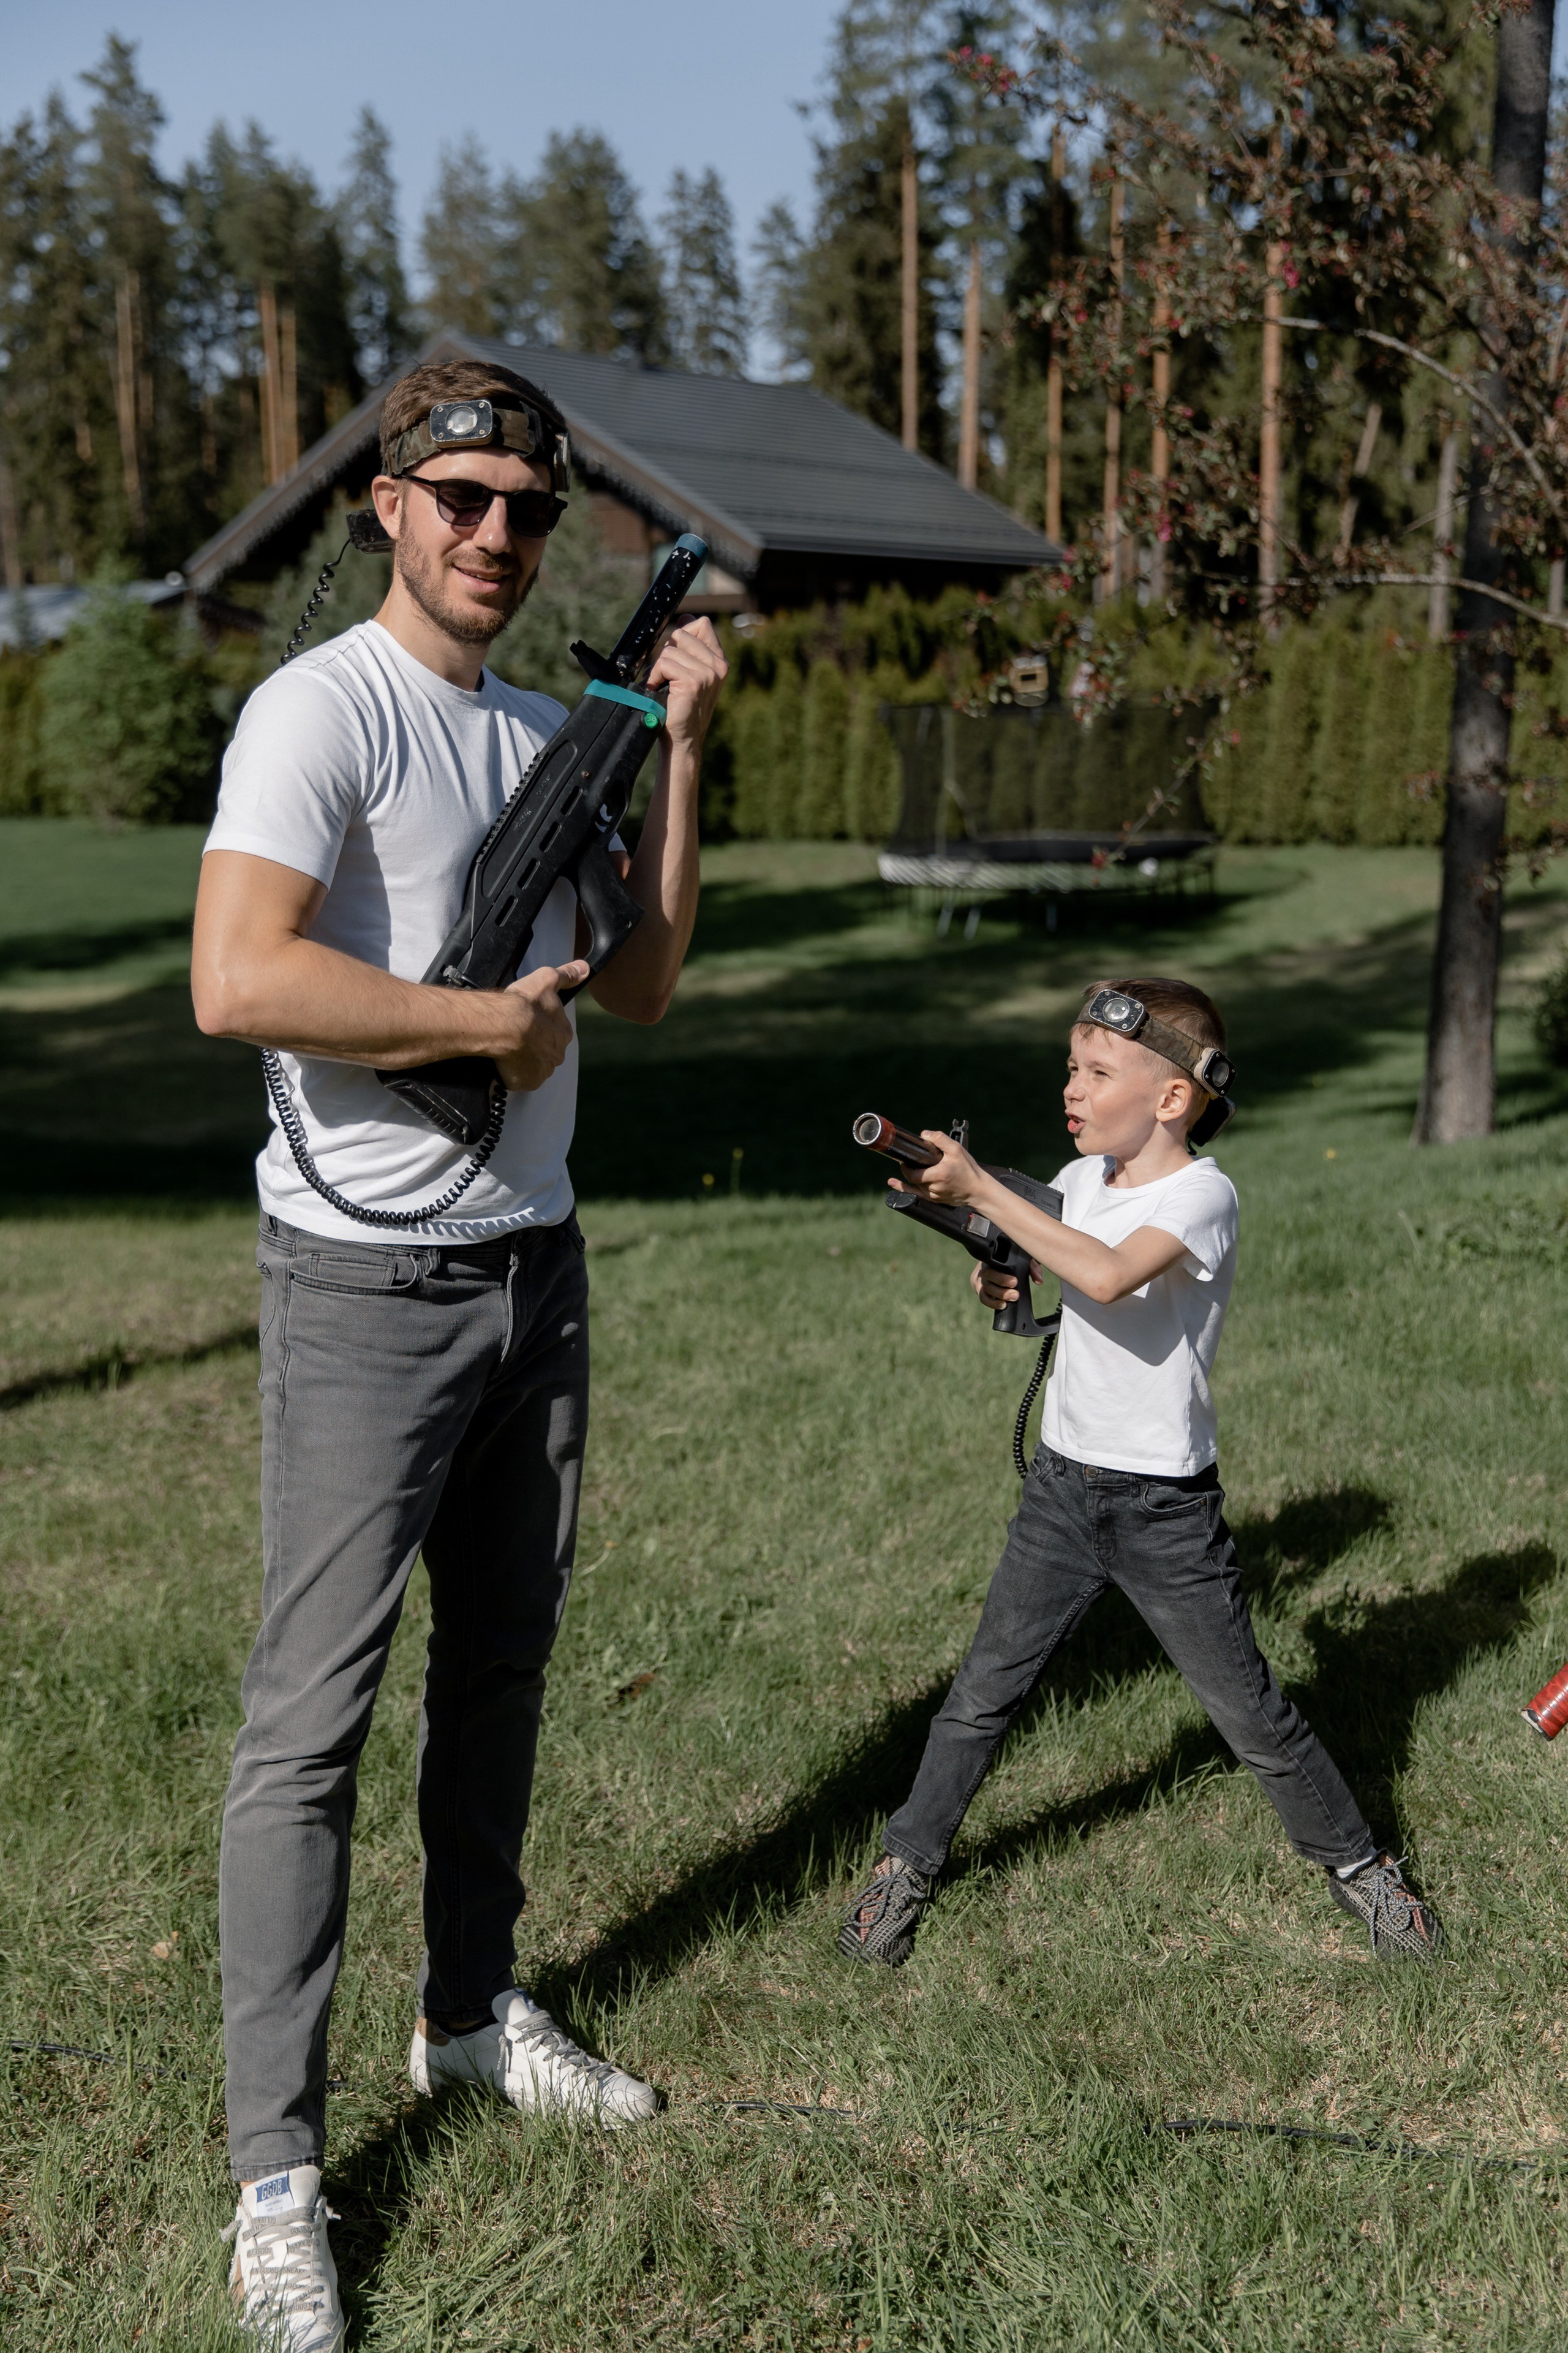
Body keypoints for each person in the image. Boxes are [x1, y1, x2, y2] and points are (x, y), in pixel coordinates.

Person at [191, 358, 726, 2350]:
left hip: (534, 1273)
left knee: (499, 1676)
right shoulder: (317, 712)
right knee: (307, 1730)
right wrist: (466, 1034)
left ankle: (469, 2016)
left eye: (526, 504)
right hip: (363, 1289)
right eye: (462, 497)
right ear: (387, 508)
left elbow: (649, 982)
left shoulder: (544, 726)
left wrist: (674, 751)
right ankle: (274, 2176)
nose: (497, 532)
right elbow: (235, 975)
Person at [838, 977, 1445, 1976]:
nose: (1071, 1088)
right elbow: (1070, 1263)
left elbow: (1115, 1274)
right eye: (1070, 1068)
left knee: (1250, 1712)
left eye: (1097, 1071)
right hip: (1064, 1493)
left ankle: (1361, 1867)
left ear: (1172, 1098)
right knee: (981, 1696)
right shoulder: (1082, 1180)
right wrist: (998, 1266)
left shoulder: (1203, 1194)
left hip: (1164, 1508)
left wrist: (986, 1189)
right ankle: (906, 1863)